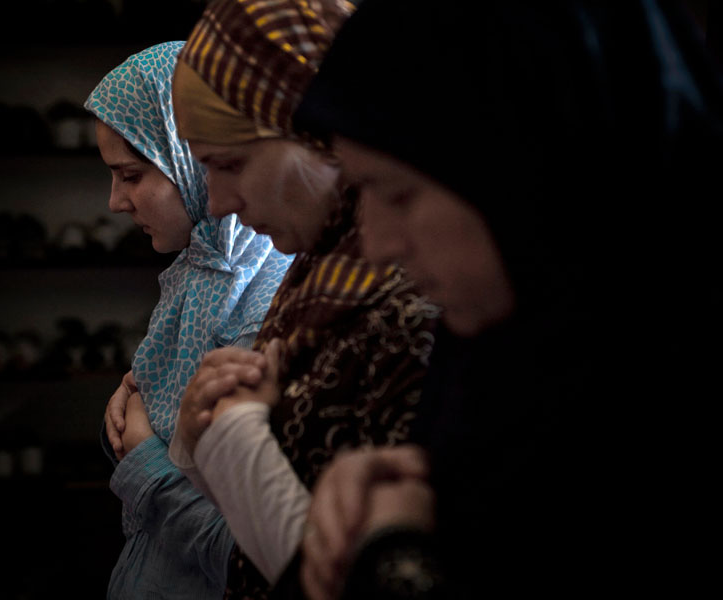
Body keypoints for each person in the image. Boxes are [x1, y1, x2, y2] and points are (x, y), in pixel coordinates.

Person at [282, 0, 723, 598]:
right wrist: (396, 491)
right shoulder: (491, 352)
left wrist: (395, 559)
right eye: (361, 190)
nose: (378, 246)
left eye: (400, 195)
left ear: (537, 171)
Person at [166, 1, 441, 597]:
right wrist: (200, 441)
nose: (217, 202)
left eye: (229, 162)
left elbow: (347, 575)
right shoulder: (316, 274)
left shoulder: (414, 301)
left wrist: (231, 437)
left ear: (318, 140)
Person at [84, 41, 293, 599]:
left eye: (130, 175)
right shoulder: (198, 273)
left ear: (190, 160)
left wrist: (143, 457)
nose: (115, 201)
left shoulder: (270, 301)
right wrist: (135, 399)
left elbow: (247, 556)